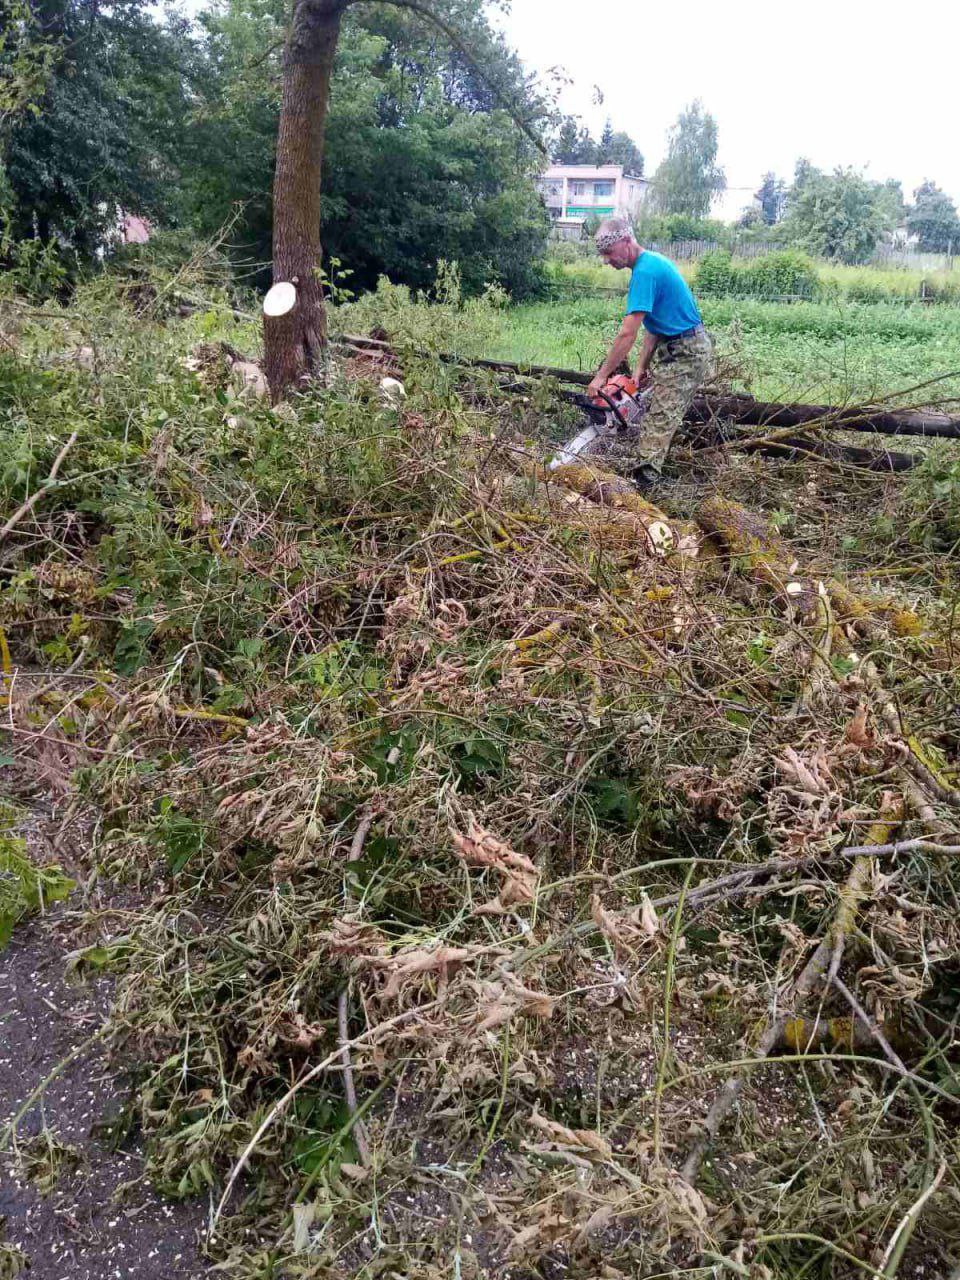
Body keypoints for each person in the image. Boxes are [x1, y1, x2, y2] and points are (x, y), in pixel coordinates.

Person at [586, 218, 714, 488]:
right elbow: (652, 328)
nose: (607, 261)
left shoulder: (646, 272)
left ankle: (645, 484)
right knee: (657, 409)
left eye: (609, 253)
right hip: (675, 345)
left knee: (660, 415)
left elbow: (627, 333)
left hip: (686, 350)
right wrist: (640, 368)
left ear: (626, 242)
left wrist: (601, 377)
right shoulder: (649, 264)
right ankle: (649, 467)